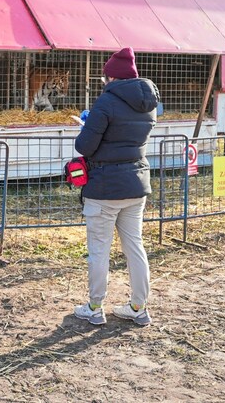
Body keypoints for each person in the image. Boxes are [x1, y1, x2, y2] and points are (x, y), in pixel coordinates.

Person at [72, 47, 160, 326]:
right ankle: (138, 306)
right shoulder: (150, 104)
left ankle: (95, 307)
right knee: (135, 247)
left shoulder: (106, 102)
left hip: (105, 187)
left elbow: (85, 146)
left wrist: (85, 127)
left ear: (111, 77)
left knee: (99, 250)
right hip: (136, 185)